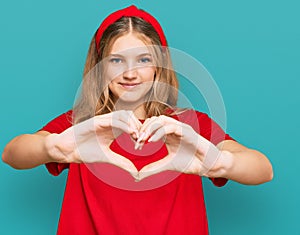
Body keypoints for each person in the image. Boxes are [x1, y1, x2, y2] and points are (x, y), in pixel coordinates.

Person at [2, 5, 273, 235]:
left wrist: (220, 162)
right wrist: (51, 148)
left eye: (143, 59)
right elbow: (12, 153)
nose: (130, 73)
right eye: (116, 60)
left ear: (159, 66)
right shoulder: (82, 127)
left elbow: (263, 169)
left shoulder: (187, 126)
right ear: (99, 67)